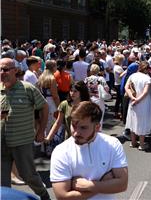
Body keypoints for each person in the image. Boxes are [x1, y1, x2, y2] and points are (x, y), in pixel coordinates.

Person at [50, 101, 128, 199]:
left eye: (83, 128)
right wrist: (102, 184)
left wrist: (89, 186)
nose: (76, 133)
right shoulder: (61, 151)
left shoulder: (113, 144)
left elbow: (122, 185)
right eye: (73, 125)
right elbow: (62, 196)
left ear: (97, 127)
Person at [0, 58, 50, 200]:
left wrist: (41, 130)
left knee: (29, 175)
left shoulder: (27, 88)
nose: (2, 72)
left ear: (15, 70)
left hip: (22, 142)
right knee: (2, 181)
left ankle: (44, 196)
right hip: (2, 143)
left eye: (6, 69)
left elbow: (44, 107)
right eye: (0, 69)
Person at [125, 61, 151, 151]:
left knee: (133, 120)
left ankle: (133, 142)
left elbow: (127, 87)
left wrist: (133, 98)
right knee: (142, 122)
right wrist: (137, 100)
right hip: (143, 103)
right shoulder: (147, 78)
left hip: (133, 101)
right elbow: (145, 92)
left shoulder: (132, 76)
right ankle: (141, 144)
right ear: (146, 68)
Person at [84, 64, 110, 129]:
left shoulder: (87, 79)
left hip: (89, 99)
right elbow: (107, 88)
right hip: (99, 99)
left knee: (90, 117)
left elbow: (84, 89)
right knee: (99, 117)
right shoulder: (101, 79)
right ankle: (98, 131)